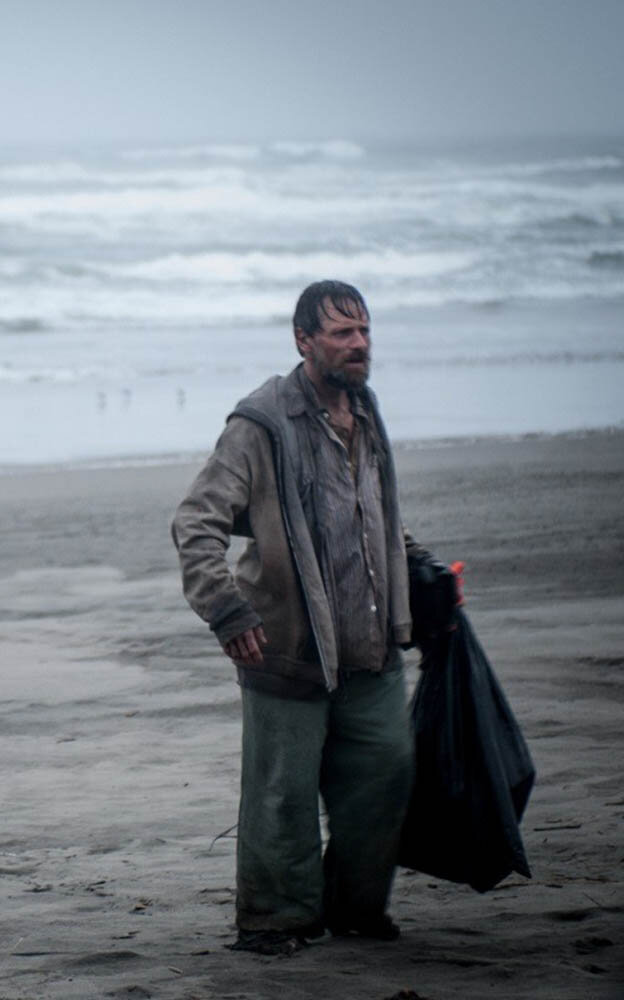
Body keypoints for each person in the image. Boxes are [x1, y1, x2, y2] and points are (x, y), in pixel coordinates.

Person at [171, 280, 441, 956]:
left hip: (371, 644)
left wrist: (422, 571)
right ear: (303, 341)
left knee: (386, 773)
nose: (358, 345)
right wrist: (225, 610)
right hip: (284, 648)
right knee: (281, 799)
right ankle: (275, 920)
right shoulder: (260, 424)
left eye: (365, 331)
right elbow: (195, 521)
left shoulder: (366, 411)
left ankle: (353, 909)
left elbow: (374, 512)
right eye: (342, 334)